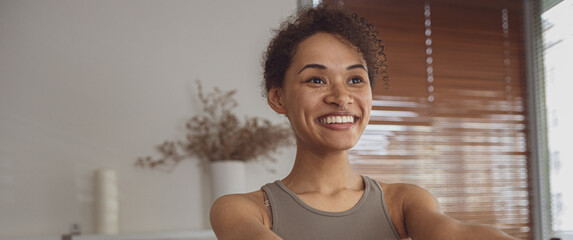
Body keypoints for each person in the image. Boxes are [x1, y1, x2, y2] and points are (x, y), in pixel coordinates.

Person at [209, 3, 519, 240]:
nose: (341, 97)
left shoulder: (405, 201)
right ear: (278, 99)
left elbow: (454, 234)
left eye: (355, 79)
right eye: (316, 80)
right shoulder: (243, 210)